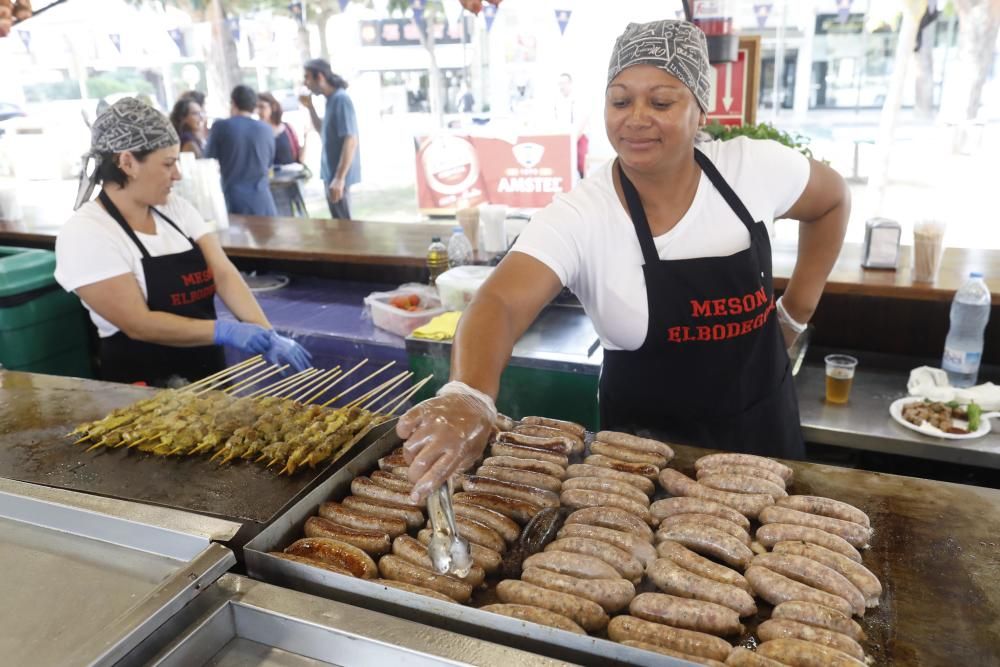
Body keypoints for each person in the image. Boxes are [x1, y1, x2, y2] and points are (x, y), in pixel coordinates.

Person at [396, 19, 850, 501]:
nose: (635, 118)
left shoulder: (753, 170)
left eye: (660, 101)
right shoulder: (582, 214)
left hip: (764, 445)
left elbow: (832, 200)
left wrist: (795, 313)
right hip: (642, 478)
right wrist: (469, 393)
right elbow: (501, 302)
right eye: (619, 100)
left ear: (701, 108)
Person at [55, 98, 311, 387]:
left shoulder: (175, 209)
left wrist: (266, 333)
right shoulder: (86, 233)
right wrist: (224, 331)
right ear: (127, 162)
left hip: (209, 375)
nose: (177, 174)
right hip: (145, 389)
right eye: (168, 163)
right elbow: (138, 323)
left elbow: (224, 274)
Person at [300, 59, 360, 219]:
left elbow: (351, 139)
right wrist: (310, 108)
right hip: (331, 175)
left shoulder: (341, 99)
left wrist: (339, 178)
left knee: (345, 229)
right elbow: (322, 130)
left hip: (338, 177)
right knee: (339, 226)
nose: (305, 83)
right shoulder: (331, 100)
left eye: (307, 78)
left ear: (319, 76)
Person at [205, 85, 277, 216]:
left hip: (235, 200)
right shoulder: (266, 129)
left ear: (233, 103)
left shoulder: (221, 127)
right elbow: (269, 162)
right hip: (264, 200)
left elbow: (207, 159)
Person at [555, 73, 590, 179]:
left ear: (570, 84)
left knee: (580, 163)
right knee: (563, 165)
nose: (562, 86)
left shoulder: (579, 99)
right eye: (560, 84)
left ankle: (584, 186)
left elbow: (583, 120)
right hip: (564, 139)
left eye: (564, 83)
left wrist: (574, 139)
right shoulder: (558, 102)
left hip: (578, 138)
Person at [256, 92, 300, 166]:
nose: (258, 111)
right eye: (257, 107)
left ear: (274, 107)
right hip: (269, 176)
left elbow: (298, 156)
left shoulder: (287, 128)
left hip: (291, 174)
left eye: (262, 107)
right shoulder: (257, 132)